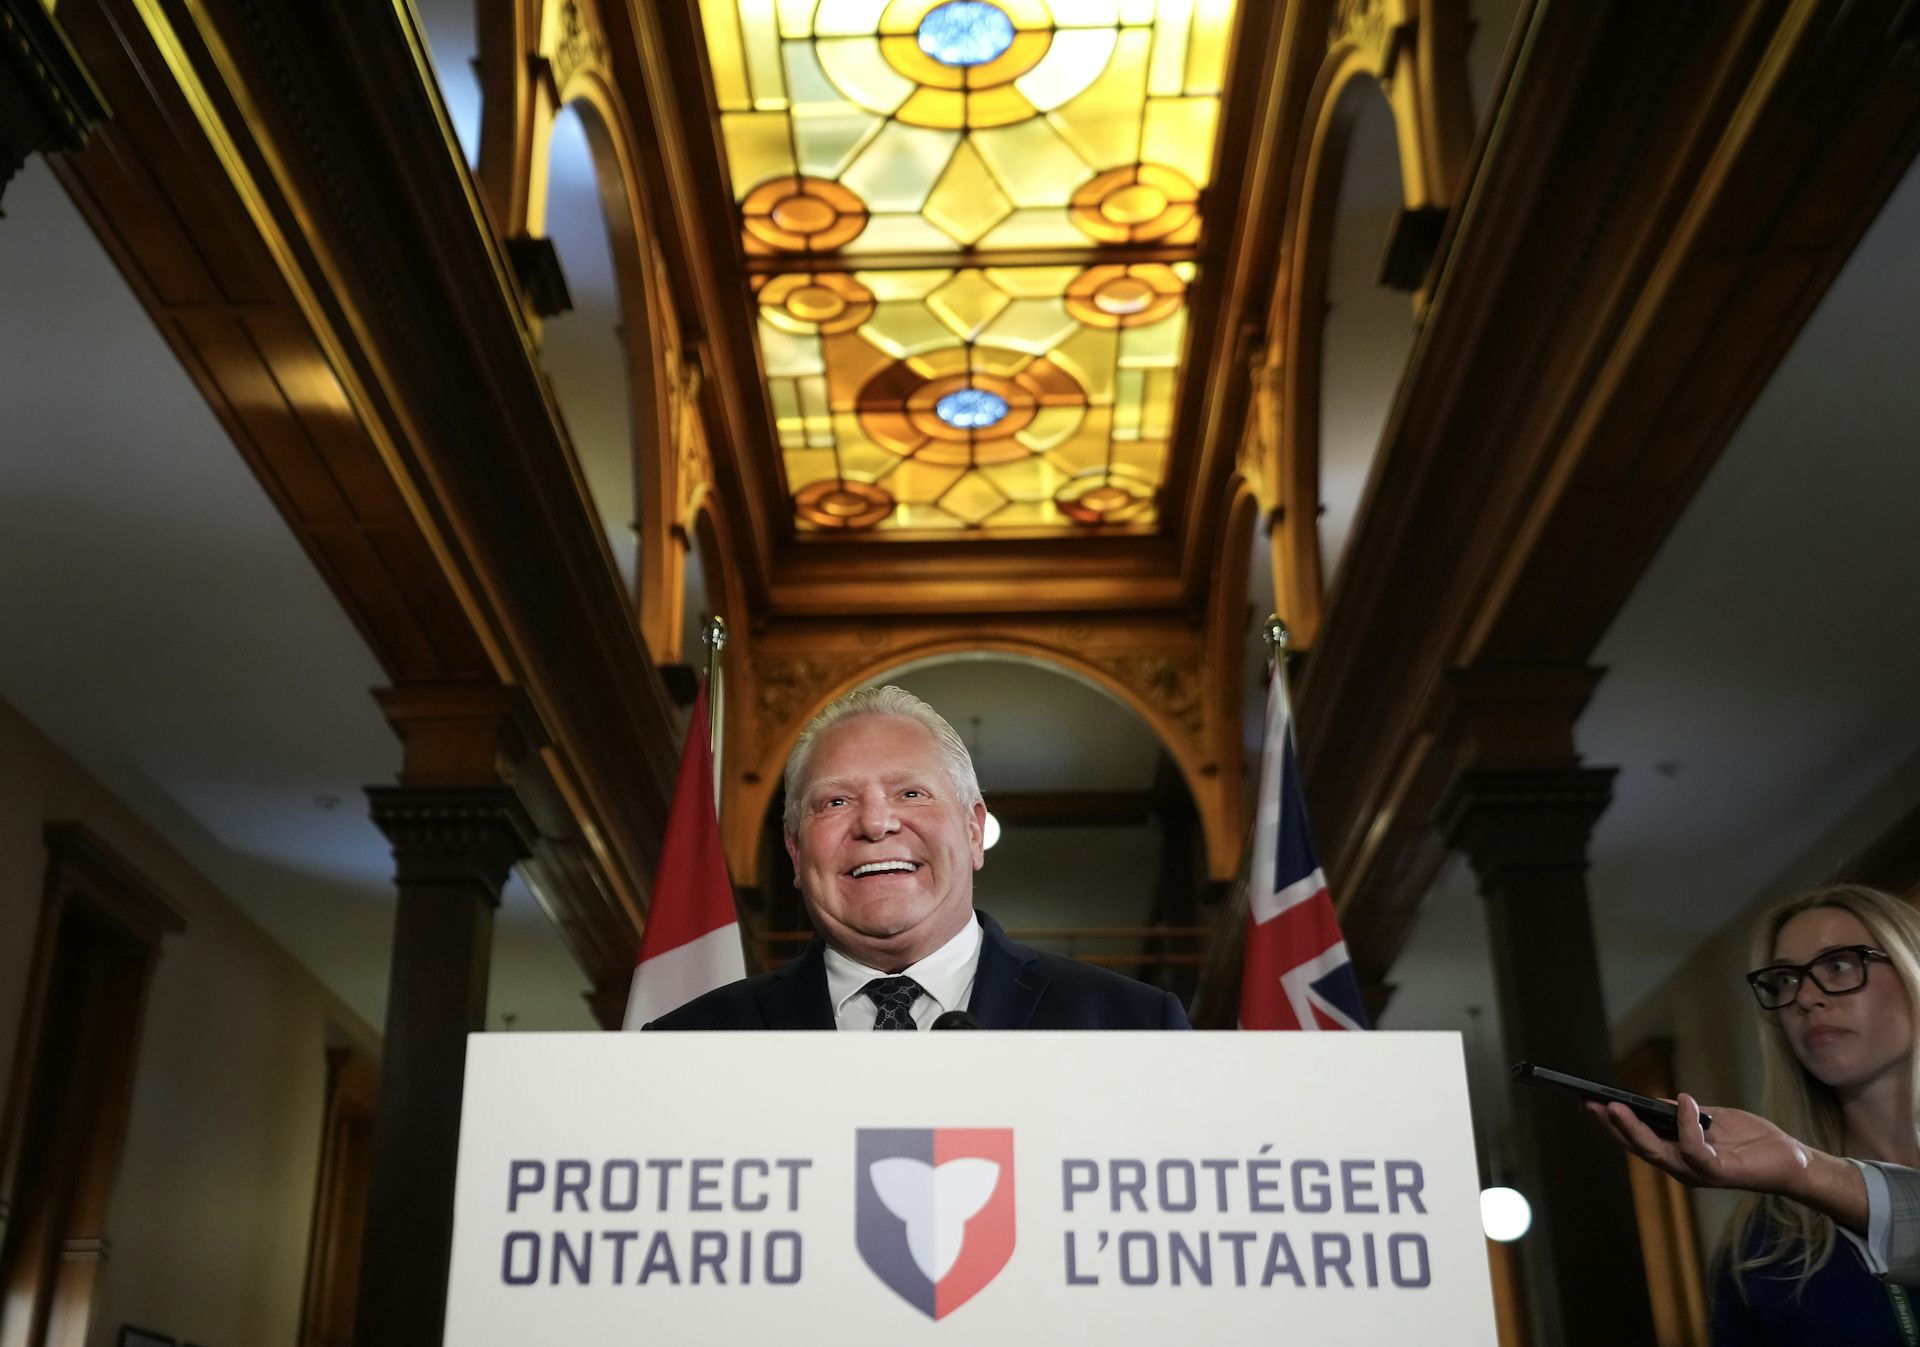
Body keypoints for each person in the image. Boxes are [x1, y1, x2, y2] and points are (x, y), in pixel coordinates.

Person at [647, 684, 1191, 1031]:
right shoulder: (689, 1042)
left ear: (973, 831)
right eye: (836, 802)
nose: (875, 823)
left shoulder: (1134, 1024)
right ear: (794, 850)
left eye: (911, 793)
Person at [1592, 884, 1920, 1343]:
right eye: (1785, 980)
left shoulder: (1795, 1179)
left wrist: (1806, 1171)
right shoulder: (1765, 1245)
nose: (1805, 997)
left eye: (1839, 965)